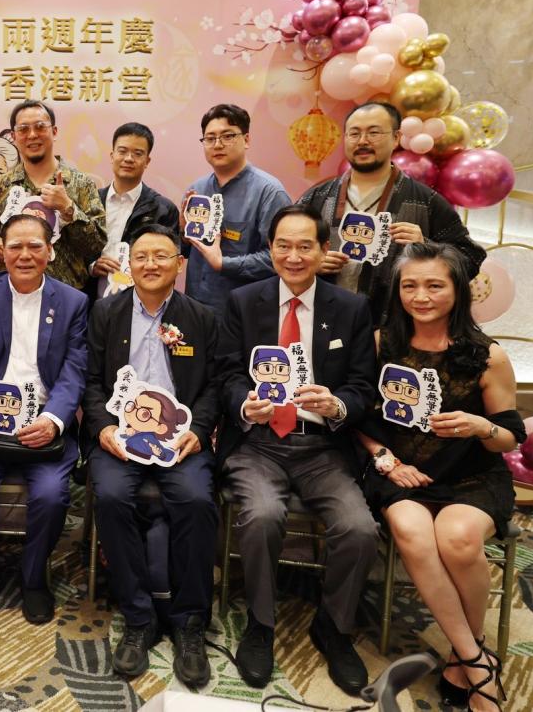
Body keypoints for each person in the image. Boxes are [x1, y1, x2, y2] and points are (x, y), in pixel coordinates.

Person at [216, 205, 379, 697]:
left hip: (321, 446)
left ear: (324, 250)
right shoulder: (243, 301)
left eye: (305, 246)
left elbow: (362, 386)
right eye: (283, 245)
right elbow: (226, 372)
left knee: (359, 528)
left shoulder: (350, 309)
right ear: (270, 249)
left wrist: (337, 404)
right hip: (258, 444)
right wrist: (243, 403)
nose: (293, 256)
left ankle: (334, 626)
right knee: (262, 515)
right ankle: (260, 624)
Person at [353, 242, 524, 712]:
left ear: (458, 290)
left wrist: (480, 426)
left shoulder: (488, 356)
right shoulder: (380, 343)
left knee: (459, 540)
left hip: (470, 474)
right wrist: (384, 456)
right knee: (411, 530)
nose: (421, 296)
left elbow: (510, 437)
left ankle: (461, 654)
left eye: (434, 285)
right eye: (410, 286)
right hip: (400, 472)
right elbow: (357, 417)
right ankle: (477, 662)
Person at [83, 224, 220, 688]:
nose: (150, 264)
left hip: (179, 439)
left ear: (179, 264)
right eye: (141, 256)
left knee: (196, 500)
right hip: (120, 437)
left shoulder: (201, 317)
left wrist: (198, 431)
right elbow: (91, 381)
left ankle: (189, 621)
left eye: (162, 256)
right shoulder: (106, 312)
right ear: (129, 263)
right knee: (110, 497)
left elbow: (214, 385)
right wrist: (102, 427)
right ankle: (139, 617)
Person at [0, 214, 88, 625]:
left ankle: (33, 578)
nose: (25, 255)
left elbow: (75, 370)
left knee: (52, 496)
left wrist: (54, 420)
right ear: (1, 252)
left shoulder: (73, 302)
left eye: (34, 246)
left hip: (44, 428)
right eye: (15, 247)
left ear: (50, 251)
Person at [299, 102, 485, 324]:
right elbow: (280, 251)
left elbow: (471, 258)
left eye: (374, 133)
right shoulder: (317, 197)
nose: (363, 141)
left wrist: (426, 248)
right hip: (322, 321)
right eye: (354, 134)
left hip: (392, 326)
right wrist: (309, 263)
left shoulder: (426, 202)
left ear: (396, 138)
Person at [0, 99, 106, 290]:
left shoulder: (81, 183)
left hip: (67, 295)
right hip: (13, 293)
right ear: (13, 136)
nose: (32, 135)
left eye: (40, 127)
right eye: (23, 129)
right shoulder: (2, 185)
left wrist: (69, 209)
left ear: (54, 132)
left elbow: (96, 246)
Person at [182, 103, 292, 310]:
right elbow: (185, 251)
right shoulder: (196, 190)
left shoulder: (269, 192)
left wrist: (224, 264)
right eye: (210, 138)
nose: (218, 144)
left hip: (244, 311)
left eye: (227, 136)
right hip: (195, 306)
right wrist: (182, 234)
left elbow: (280, 256)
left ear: (246, 140)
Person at [87, 122, 181, 301]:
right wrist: (91, 267)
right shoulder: (90, 201)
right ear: (112, 155)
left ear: (147, 161)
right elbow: (76, 250)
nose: (129, 158)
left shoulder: (163, 209)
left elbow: (169, 262)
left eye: (137, 153)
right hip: (91, 302)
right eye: (122, 151)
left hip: (141, 303)